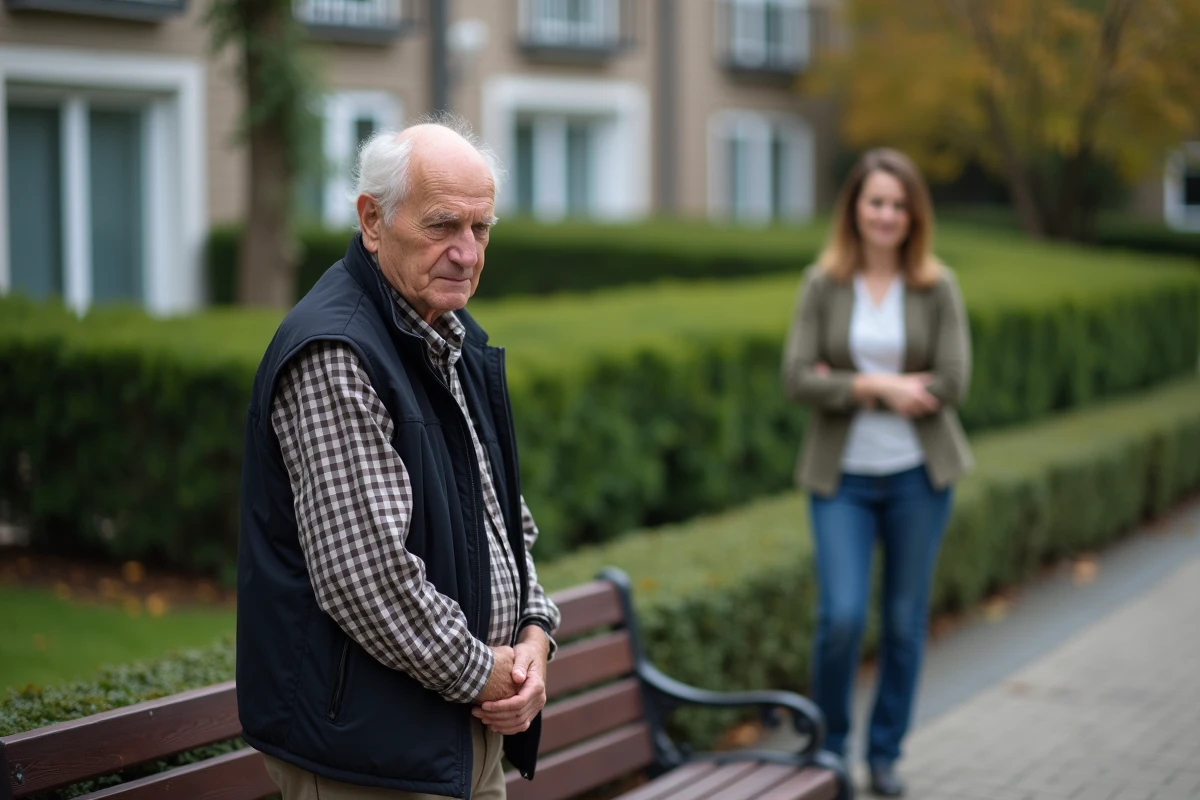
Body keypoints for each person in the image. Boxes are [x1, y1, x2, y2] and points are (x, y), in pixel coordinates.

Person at [236, 116, 561, 800]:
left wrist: (535, 638)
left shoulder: (449, 332)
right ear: (373, 220)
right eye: (444, 226)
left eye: (481, 229)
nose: (467, 253)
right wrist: (489, 674)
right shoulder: (337, 352)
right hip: (366, 751)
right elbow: (366, 579)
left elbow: (508, 524)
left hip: (458, 729)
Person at [781, 148, 972, 797]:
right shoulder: (822, 283)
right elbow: (797, 376)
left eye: (897, 204)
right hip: (844, 481)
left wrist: (849, 380)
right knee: (839, 617)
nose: (886, 215)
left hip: (919, 475)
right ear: (854, 210)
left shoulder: (937, 285)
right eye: (875, 202)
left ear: (912, 214)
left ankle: (885, 752)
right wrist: (882, 388)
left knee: (902, 621)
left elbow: (952, 380)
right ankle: (831, 747)